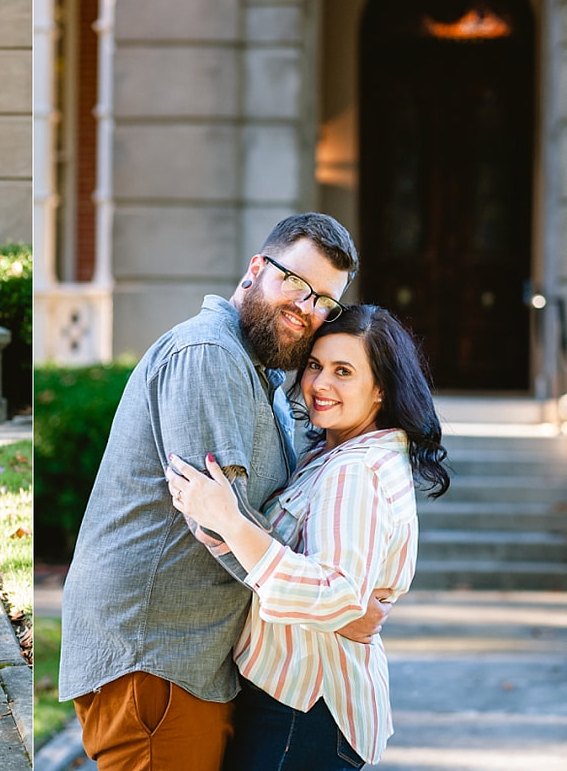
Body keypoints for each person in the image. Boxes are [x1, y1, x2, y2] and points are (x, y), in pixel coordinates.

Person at [59, 213, 392, 771]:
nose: (307, 309)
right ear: (257, 268)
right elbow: (216, 520)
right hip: (155, 653)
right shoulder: (208, 355)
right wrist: (329, 608)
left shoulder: (254, 368)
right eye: (297, 284)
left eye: (324, 303)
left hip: (188, 656)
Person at [167, 304, 450, 768]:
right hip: (298, 704)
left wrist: (234, 523)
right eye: (316, 365)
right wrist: (224, 529)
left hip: (304, 709)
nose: (320, 385)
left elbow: (339, 593)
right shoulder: (338, 452)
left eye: (344, 371)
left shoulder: (356, 470)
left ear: (380, 388)